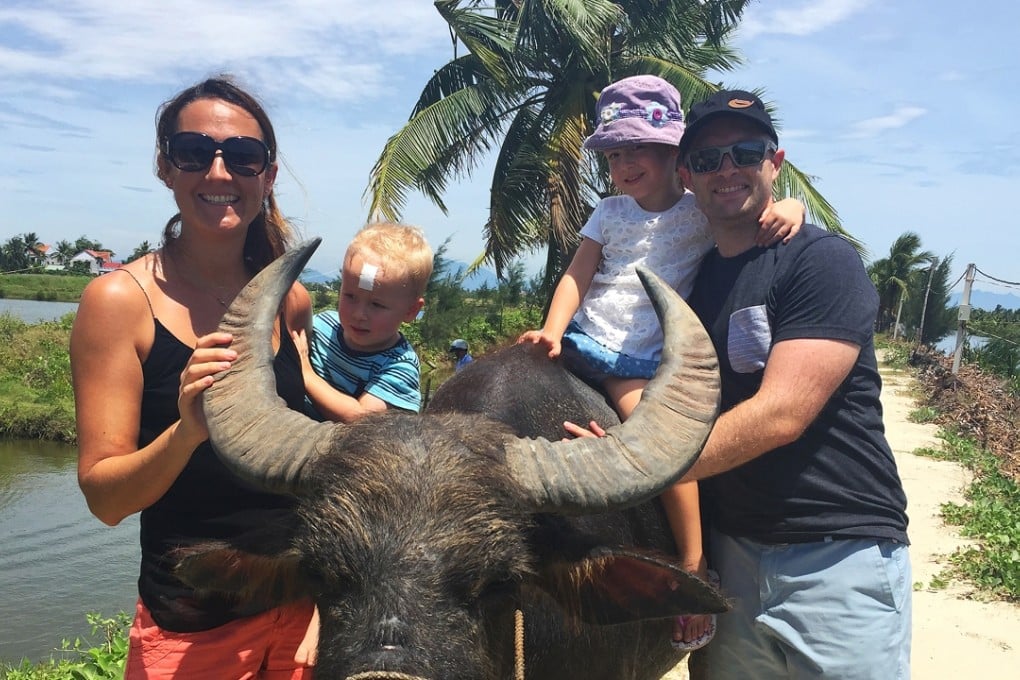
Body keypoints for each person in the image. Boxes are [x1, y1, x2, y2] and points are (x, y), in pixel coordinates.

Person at [517, 75, 804, 650]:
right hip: (586, 340)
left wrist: (790, 205)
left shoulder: (700, 211)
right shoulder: (607, 213)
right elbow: (579, 274)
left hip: (639, 357)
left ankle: (693, 563)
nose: (625, 164)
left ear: (675, 154)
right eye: (616, 152)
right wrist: (552, 329)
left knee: (656, 441)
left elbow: (754, 207)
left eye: (638, 150)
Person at [70, 76, 315, 679]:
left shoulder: (290, 300)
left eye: (242, 156)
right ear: (166, 167)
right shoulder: (119, 302)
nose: (218, 171)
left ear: (268, 174)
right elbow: (105, 499)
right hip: (193, 627)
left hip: (303, 611)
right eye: (193, 152)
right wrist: (186, 432)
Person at [670, 90, 911, 678]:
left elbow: (782, 414)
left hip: (837, 552)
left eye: (745, 152)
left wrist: (636, 469)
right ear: (686, 177)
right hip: (733, 558)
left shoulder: (820, 261)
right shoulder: (689, 282)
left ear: (774, 163)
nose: (727, 169)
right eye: (707, 159)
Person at [291, 222, 432, 422]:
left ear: (411, 311)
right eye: (350, 296)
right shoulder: (322, 326)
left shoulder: (400, 366)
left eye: (377, 305)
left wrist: (305, 372)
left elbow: (360, 419)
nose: (359, 314)